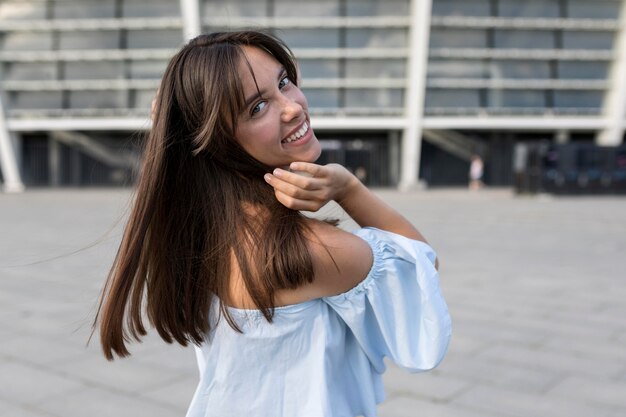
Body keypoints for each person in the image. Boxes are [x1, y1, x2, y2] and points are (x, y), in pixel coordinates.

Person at [93, 31, 451, 417]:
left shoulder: (202, 231)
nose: (292, 107)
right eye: (258, 107)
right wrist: (348, 188)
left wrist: (175, 124)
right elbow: (420, 264)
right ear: (216, 140)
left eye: (284, 82)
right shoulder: (308, 252)